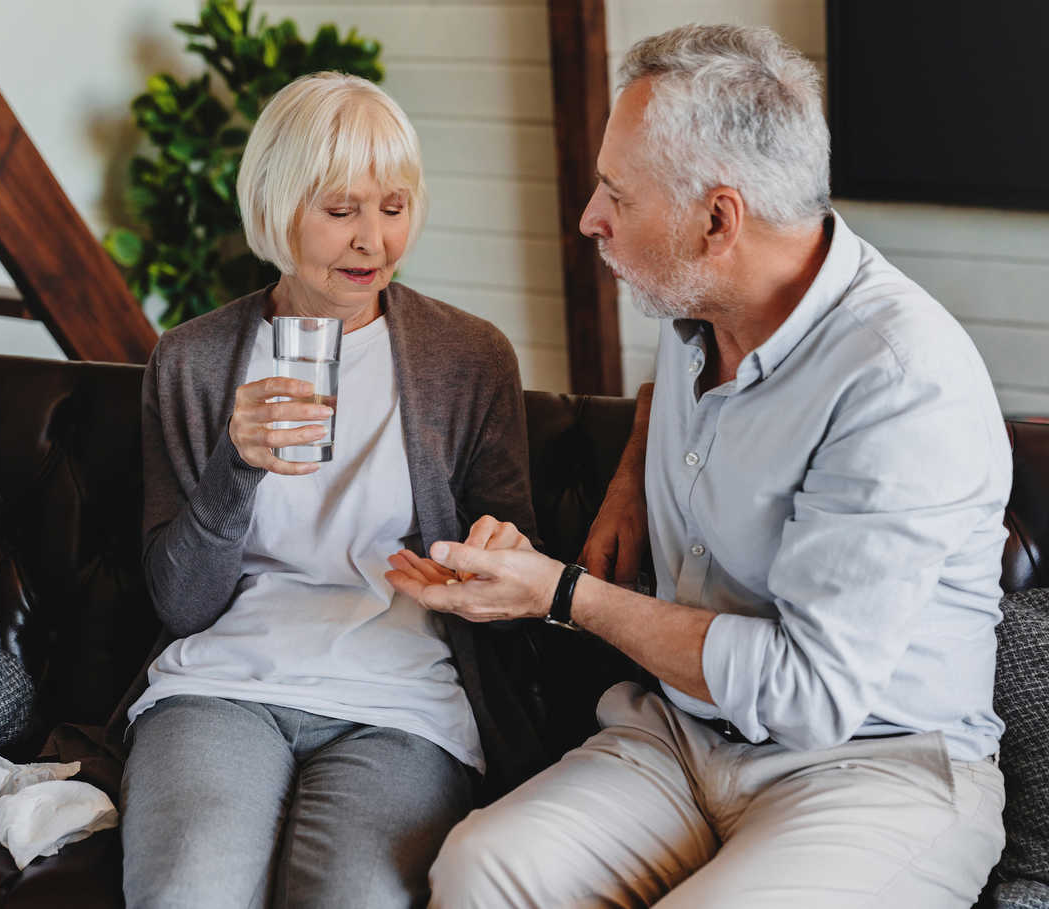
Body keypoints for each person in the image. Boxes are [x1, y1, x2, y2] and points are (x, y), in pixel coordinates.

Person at [386, 24, 1010, 908]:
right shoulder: (704, 302)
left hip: (873, 766)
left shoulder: (902, 383)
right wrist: (633, 473)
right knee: (479, 866)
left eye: (615, 193)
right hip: (680, 733)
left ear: (718, 219)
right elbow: (695, 390)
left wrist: (561, 592)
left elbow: (806, 692)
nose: (589, 218)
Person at [119, 71, 544, 909]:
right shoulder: (193, 361)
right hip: (223, 683)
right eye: (341, 210)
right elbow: (180, 603)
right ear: (277, 209)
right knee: (187, 893)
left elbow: (517, 563)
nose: (373, 243)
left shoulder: (470, 358)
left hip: (399, 697)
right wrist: (233, 467)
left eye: (393, 207)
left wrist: (483, 569)